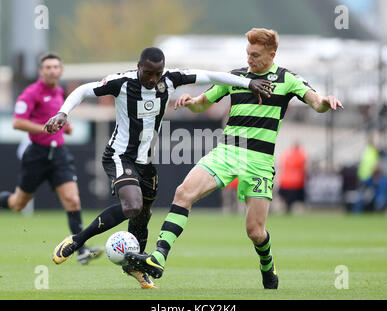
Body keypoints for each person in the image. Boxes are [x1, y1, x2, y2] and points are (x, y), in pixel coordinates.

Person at [124, 28, 343, 290]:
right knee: (183, 193)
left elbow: (316, 102)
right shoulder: (235, 77)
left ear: (272, 54)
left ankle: (267, 264)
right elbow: (203, 103)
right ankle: (158, 258)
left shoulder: (288, 79)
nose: (250, 59)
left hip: (260, 162)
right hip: (227, 151)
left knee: (255, 232)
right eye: (248, 53)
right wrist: (189, 101)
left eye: (256, 55)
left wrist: (326, 101)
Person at [44, 47, 273, 289]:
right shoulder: (121, 83)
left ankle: (135, 266)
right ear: (139, 66)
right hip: (120, 156)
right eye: (148, 73)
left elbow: (210, 75)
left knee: (143, 216)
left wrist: (248, 83)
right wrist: (63, 113)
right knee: (132, 205)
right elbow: (83, 90)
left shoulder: (170, 80)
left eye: (158, 74)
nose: (153, 80)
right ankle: (77, 241)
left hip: (146, 163)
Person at [0, 53, 103, 265]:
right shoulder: (31, 93)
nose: (52, 70)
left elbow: (58, 118)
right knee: (18, 204)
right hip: (36, 154)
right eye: (48, 67)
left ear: (61, 70)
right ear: (41, 71)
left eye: (56, 67)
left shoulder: (59, 91)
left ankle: (81, 250)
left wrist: (66, 126)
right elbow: (18, 123)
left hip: (59, 155)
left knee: (72, 200)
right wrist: (46, 128)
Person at [278, 142, 307, 214]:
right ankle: (292, 209)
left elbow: (282, 164)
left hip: (285, 181)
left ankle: (287, 208)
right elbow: (303, 166)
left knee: (286, 198)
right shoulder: (301, 154)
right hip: (296, 181)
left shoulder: (286, 154)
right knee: (295, 198)